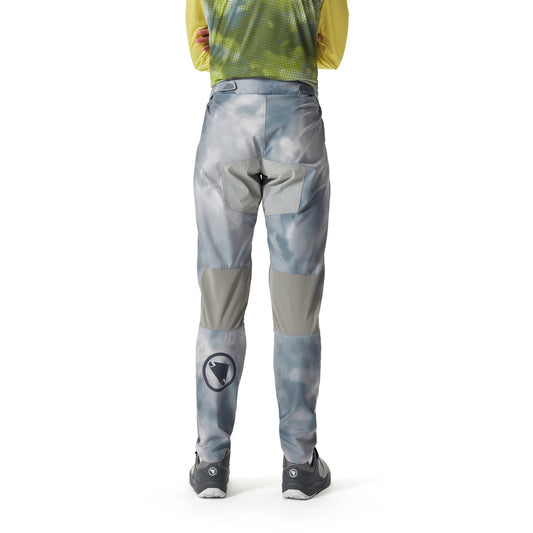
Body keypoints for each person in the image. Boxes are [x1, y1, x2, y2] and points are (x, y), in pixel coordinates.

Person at [185, 0, 349, 499]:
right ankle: (299, 463)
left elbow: (200, 54)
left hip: (227, 126)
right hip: (294, 125)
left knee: (220, 292)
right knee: (296, 296)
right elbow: (332, 52)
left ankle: (211, 461)